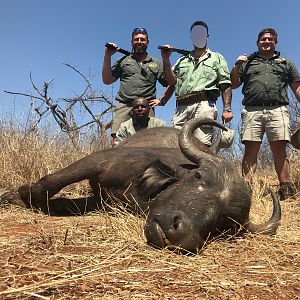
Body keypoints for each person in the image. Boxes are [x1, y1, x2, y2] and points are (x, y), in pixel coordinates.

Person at [230, 28, 300, 200]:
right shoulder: (247, 62)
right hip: (252, 110)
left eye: (270, 39)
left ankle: (286, 188)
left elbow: (296, 87)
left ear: (275, 42)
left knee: (279, 150)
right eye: (263, 39)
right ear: (257, 42)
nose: (267, 42)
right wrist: (236, 65)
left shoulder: (286, 62)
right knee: (250, 150)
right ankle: (245, 191)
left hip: (278, 109)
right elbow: (234, 84)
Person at [159, 20, 233, 146]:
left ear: (207, 36)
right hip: (181, 107)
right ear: (191, 37)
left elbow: (225, 84)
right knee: (175, 145)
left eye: (202, 33)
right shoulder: (182, 60)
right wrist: (166, 59)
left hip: (204, 105)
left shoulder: (216, 57)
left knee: (201, 145)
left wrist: (227, 109)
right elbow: (171, 81)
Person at [102, 27, 174, 146]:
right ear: (132, 42)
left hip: (146, 108)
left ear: (147, 42)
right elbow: (107, 80)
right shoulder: (123, 61)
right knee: (117, 143)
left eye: (142, 39)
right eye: (136, 39)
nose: (139, 41)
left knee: (149, 144)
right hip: (125, 105)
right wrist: (108, 55)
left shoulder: (156, 63)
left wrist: (162, 100)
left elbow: (171, 83)